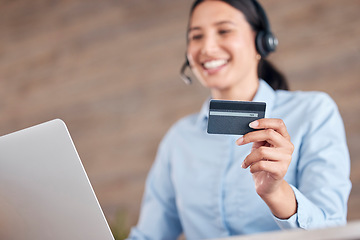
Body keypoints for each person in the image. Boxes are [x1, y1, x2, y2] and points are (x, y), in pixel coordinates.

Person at [128, 0, 352, 239]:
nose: (207, 48)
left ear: (261, 43)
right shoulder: (179, 138)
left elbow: (333, 231)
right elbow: (149, 235)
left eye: (224, 31)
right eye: (196, 36)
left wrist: (277, 193)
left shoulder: (313, 112)